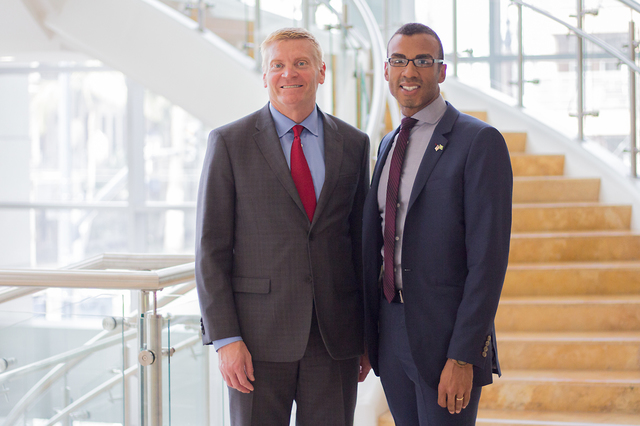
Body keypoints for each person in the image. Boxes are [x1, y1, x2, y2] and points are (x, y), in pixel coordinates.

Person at [195, 27, 371, 426]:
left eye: (300, 63)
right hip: (255, 341)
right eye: (278, 65)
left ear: (321, 72)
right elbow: (211, 249)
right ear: (265, 76)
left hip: (335, 339)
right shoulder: (229, 143)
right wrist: (225, 339)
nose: (288, 73)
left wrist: (366, 336)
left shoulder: (355, 143)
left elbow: (361, 246)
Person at [362, 23, 513, 425]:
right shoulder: (388, 143)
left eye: (422, 61)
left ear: (441, 71)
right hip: (391, 329)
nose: (409, 71)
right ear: (387, 70)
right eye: (399, 60)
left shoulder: (479, 141)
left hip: (447, 337)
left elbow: (488, 261)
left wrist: (464, 354)